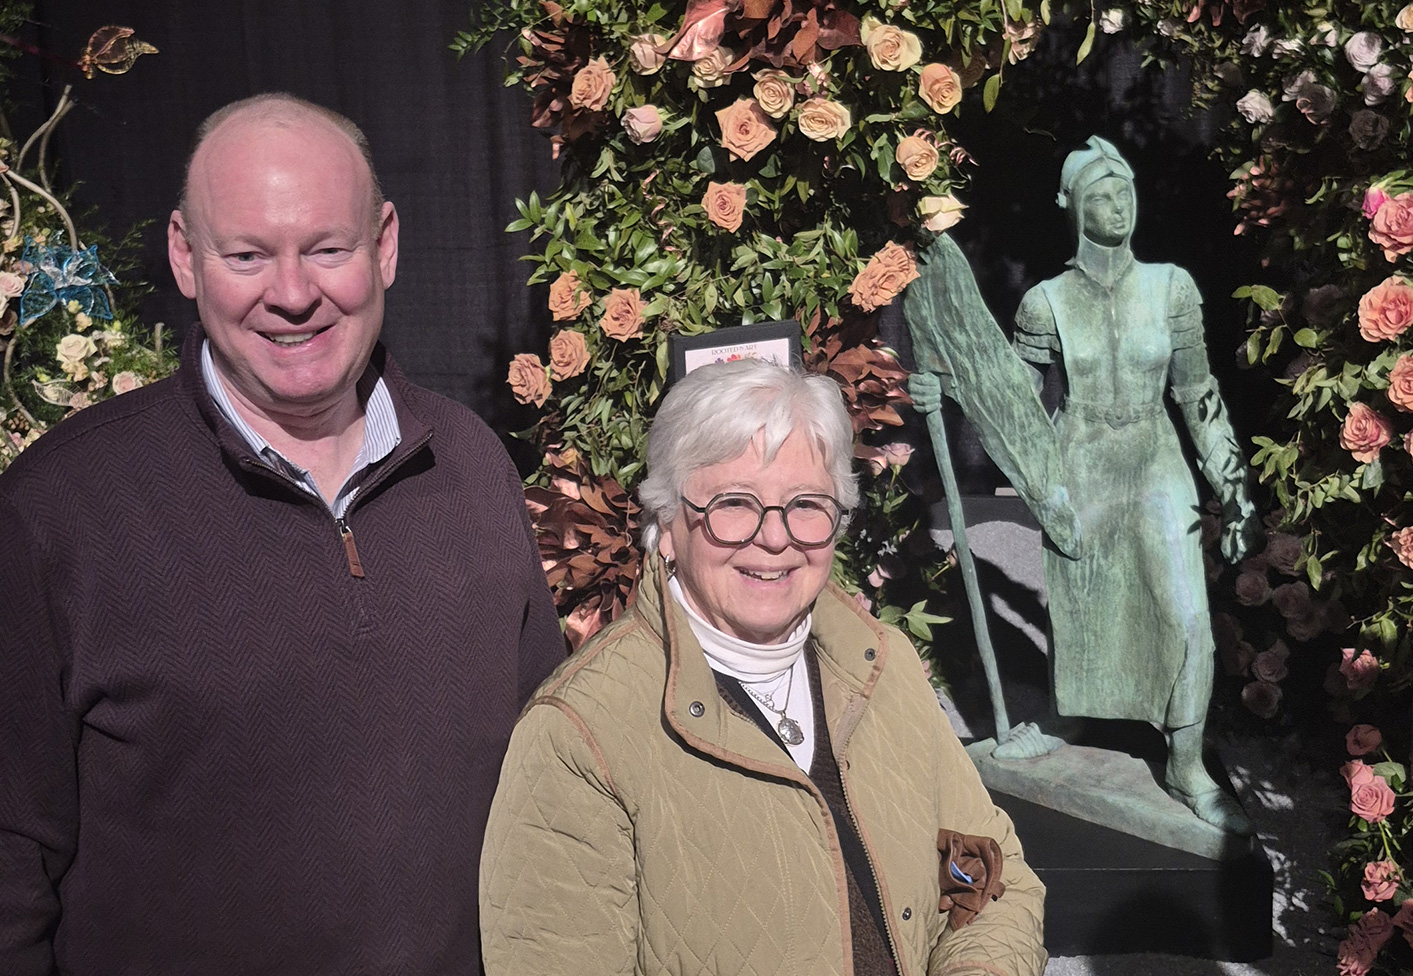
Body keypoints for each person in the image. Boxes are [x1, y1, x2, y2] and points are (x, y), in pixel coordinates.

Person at [0, 93, 566, 975]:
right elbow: (10, 856)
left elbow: (552, 769)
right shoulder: (59, 512)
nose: (293, 294)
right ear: (186, 257)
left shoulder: (469, 467)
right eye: (248, 255)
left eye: (327, 249)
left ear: (384, 245)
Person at [478, 358, 1046, 976]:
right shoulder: (578, 738)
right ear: (666, 524)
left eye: (805, 504)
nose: (774, 539)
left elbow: (988, 879)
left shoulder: (885, 667)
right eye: (733, 504)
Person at [1008, 136, 1261, 832]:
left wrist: (1232, 488)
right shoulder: (1044, 302)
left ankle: (1186, 763)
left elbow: (1198, 392)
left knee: (1186, 614)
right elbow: (1012, 408)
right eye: (1100, 196)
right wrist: (948, 384)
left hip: (1155, 458)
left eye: (1124, 192)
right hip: (1082, 464)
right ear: (1073, 208)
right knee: (1094, 616)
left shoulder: (1170, 287)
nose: (1117, 206)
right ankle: (1112, 732)